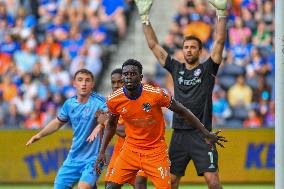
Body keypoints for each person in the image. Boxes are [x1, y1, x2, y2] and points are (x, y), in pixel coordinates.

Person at [134, 0, 227, 188]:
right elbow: (153, 45)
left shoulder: (208, 68)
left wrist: (222, 14)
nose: (189, 50)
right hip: (179, 134)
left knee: (213, 182)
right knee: (171, 182)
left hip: (203, 134)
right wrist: (145, 19)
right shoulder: (175, 68)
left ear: (200, 51)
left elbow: (219, 41)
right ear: (182, 50)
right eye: (186, 47)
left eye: (193, 47)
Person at [95, 59, 226, 189]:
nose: (128, 77)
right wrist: (101, 152)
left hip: (155, 151)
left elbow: (183, 111)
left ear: (140, 77)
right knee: (110, 187)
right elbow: (111, 125)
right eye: (126, 74)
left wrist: (205, 133)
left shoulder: (156, 94)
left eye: (133, 74)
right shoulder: (114, 99)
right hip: (130, 150)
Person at [26, 68, 108, 189]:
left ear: (92, 84)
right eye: (80, 80)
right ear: (74, 83)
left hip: (94, 158)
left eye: (87, 80)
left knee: (83, 187)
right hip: (73, 158)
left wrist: (102, 122)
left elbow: (110, 118)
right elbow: (58, 122)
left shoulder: (99, 101)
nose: (84, 84)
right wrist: (39, 135)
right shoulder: (69, 104)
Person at [87, 68, 148, 189]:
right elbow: (106, 127)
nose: (116, 85)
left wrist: (105, 121)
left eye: (119, 82)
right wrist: (101, 152)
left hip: (139, 151)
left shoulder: (137, 100)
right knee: (109, 186)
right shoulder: (112, 101)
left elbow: (128, 132)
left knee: (139, 184)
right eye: (113, 82)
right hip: (120, 151)